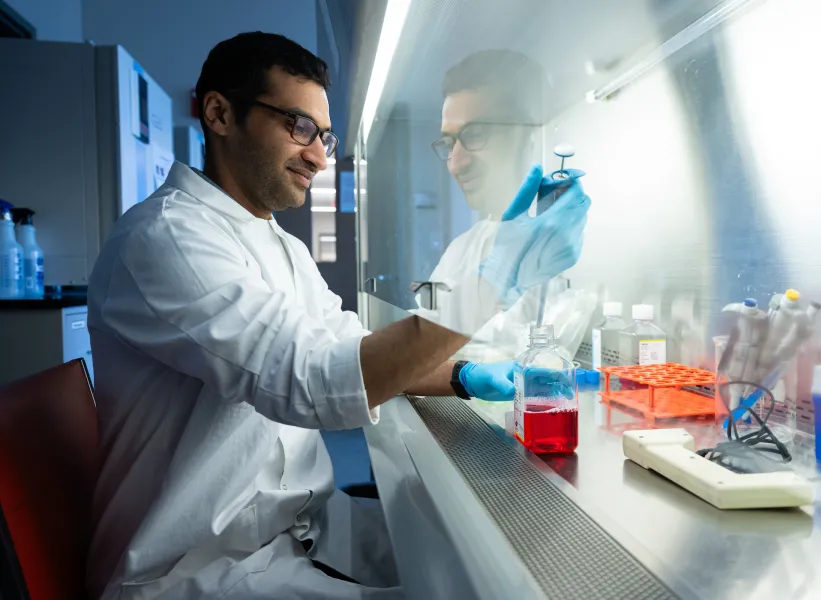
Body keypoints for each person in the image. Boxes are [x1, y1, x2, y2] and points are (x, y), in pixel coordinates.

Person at [85, 33, 590, 600]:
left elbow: (350, 345)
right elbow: (313, 382)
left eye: (323, 136)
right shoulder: (168, 239)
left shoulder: (278, 244)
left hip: (299, 529)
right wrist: (490, 284)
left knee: (467, 561)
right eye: (298, 127)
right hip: (197, 568)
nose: (320, 157)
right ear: (220, 114)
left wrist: (463, 376)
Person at [427, 50, 595, 363]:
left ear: (532, 134)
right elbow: (417, 352)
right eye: (450, 143)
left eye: (476, 134)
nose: (456, 163)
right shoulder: (460, 251)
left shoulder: (574, 246)